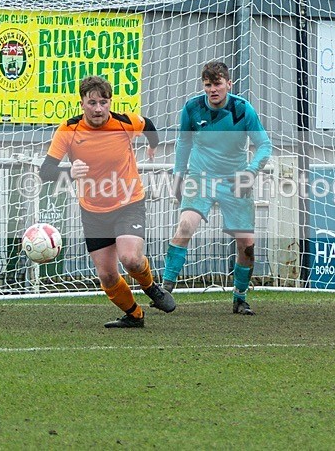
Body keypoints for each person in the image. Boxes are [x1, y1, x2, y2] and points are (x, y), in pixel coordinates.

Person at [39, 75, 176, 328]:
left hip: (129, 203)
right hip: (93, 212)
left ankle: (152, 289)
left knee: (131, 259)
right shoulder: (69, 130)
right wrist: (69, 172)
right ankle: (134, 316)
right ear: (82, 103)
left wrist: (152, 146)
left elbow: (149, 125)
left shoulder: (124, 122)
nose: (98, 108)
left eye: (103, 102)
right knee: (107, 275)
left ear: (110, 102)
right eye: (92, 103)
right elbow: (45, 171)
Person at [161, 61, 272, 315]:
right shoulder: (192, 108)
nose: (213, 89)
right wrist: (178, 177)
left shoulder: (243, 109)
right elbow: (183, 144)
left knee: (247, 243)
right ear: (204, 86)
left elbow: (264, 145)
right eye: (208, 85)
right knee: (186, 224)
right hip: (201, 177)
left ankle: (240, 297)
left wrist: (250, 172)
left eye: (218, 84)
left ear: (228, 84)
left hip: (235, 182)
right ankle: (165, 288)